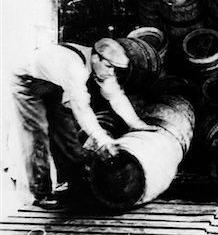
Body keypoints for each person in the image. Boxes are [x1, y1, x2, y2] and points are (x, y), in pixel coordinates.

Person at [11, 38, 149, 208]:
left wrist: (138, 124)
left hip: (56, 83)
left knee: (66, 133)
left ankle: (76, 186)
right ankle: (42, 193)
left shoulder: (102, 67)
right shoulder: (76, 68)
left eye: (115, 69)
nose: (111, 73)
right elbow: (81, 108)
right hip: (28, 82)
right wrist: (101, 137)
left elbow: (116, 97)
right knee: (38, 133)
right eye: (109, 67)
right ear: (95, 58)